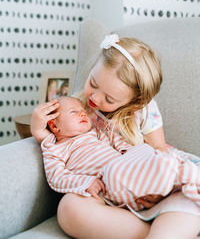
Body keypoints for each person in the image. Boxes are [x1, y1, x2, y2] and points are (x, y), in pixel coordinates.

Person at [31, 34, 200, 239]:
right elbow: (56, 145)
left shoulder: (143, 110)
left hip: (153, 179)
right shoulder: (78, 105)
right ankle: (151, 232)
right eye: (93, 83)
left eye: (109, 99)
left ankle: (167, 226)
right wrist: (39, 130)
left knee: (187, 200)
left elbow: (159, 149)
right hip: (111, 193)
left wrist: (156, 190)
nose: (94, 98)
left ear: (136, 100)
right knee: (68, 209)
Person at [33, 95, 200, 212]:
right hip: (111, 179)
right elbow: (57, 177)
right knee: (115, 171)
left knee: (144, 150)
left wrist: (130, 152)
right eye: (74, 112)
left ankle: (184, 174)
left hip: (127, 164)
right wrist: (85, 182)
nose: (83, 113)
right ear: (55, 126)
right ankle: (182, 175)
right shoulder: (54, 148)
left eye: (82, 109)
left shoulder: (95, 133)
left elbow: (116, 140)